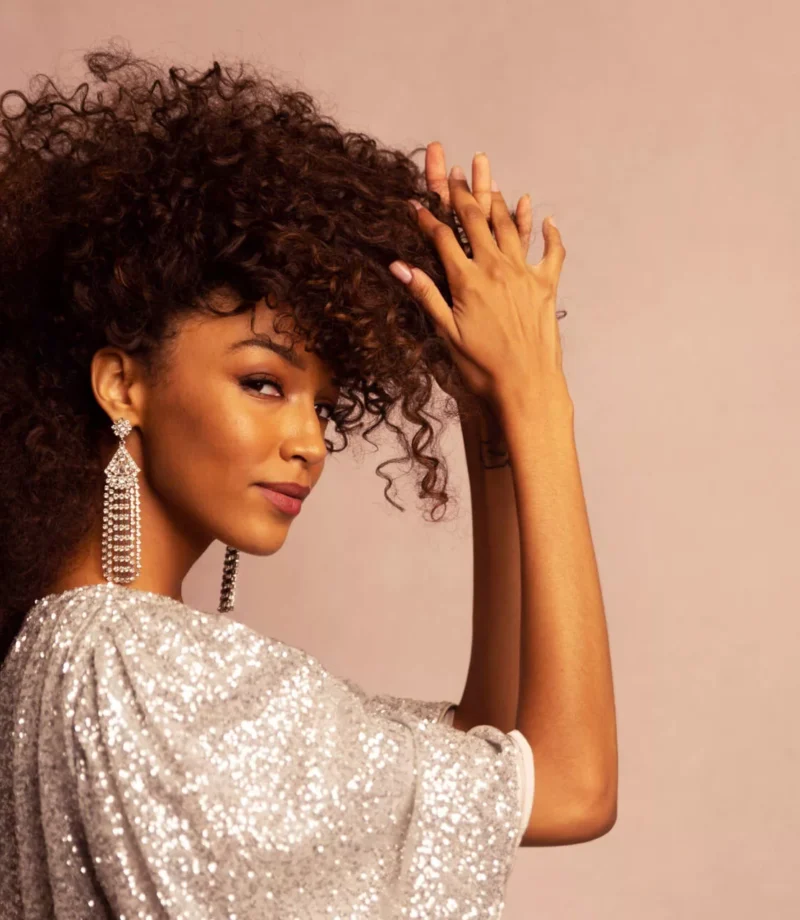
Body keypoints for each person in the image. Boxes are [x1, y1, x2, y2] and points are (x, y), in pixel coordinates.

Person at [0, 42, 617, 920]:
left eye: (323, 405)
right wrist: (540, 398)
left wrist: (491, 427)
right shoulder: (141, 669)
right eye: (263, 383)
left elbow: (489, 750)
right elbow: (572, 788)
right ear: (121, 384)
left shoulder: (64, 655)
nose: (310, 443)